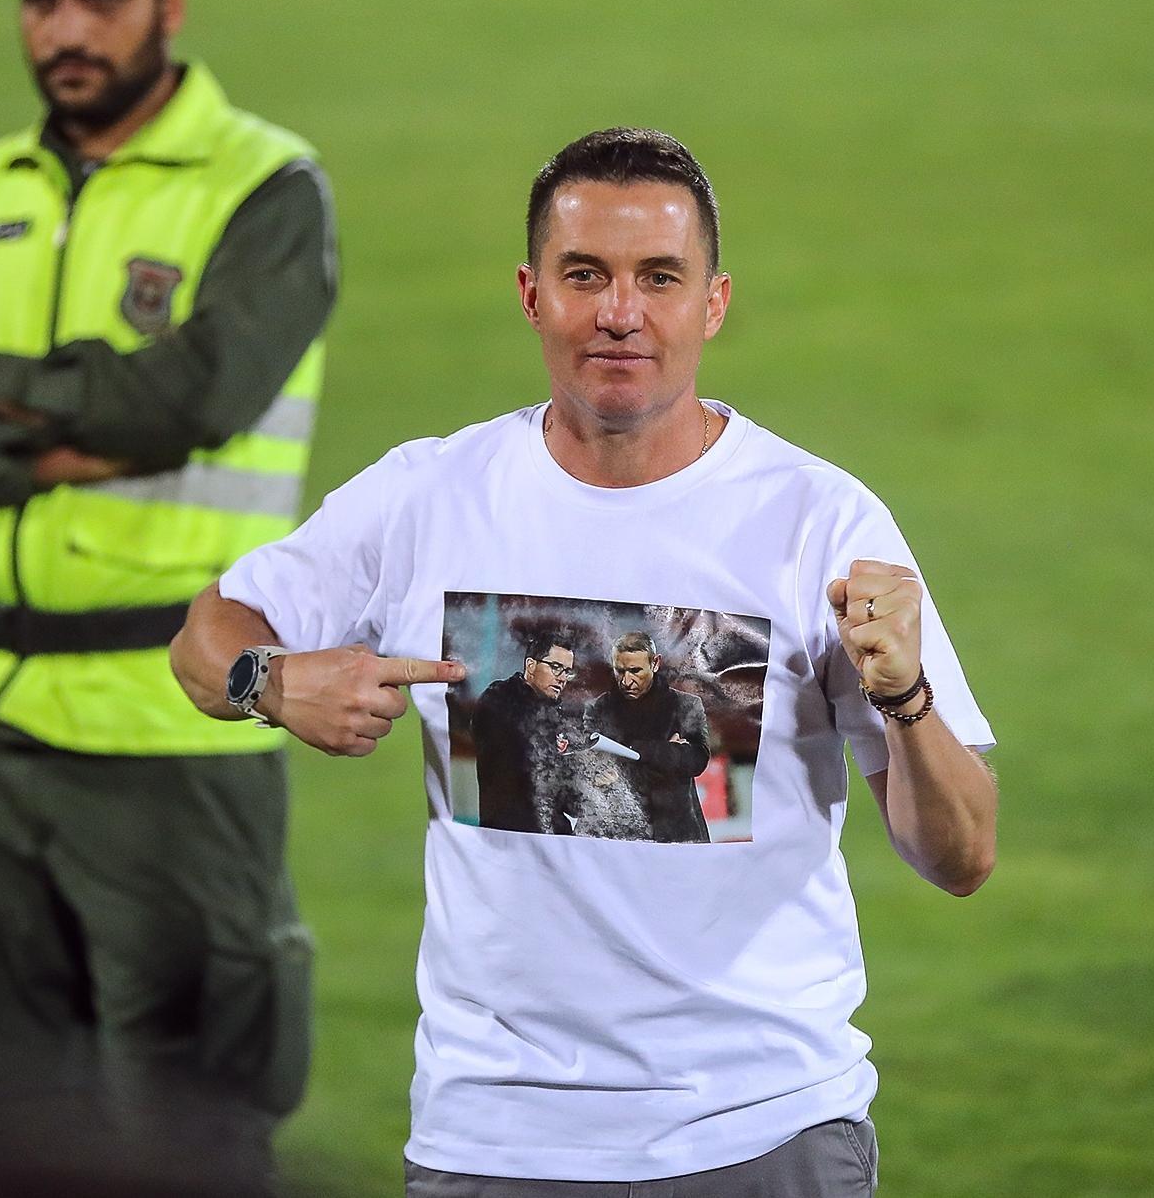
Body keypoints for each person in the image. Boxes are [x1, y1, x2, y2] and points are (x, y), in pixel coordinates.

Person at [170, 127, 997, 1195]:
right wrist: (272, 682)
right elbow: (205, 637)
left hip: (759, 1130)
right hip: (492, 1139)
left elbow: (960, 855)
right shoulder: (429, 496)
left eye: (660, 277)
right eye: (584, 275)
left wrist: (906, 698)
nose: (620, 312)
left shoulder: (817, 522)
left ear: (713, 303)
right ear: (531, 294)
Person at [0, 0, 336, 1189]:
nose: (67, 30)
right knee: (17, 1125)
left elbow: (192, 400)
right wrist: (63, 428)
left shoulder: (263, 188)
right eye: (41, 0)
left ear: (168, 3)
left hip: (167, 724)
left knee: (194, 1132)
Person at [576, 630, 712, 843]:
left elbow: (697, 761)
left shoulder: (686, 705)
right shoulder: (597, 709)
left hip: (677, 832)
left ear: (655, 663)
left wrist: (634, 753)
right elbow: (590, 768)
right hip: (619, 831)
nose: (626, 681)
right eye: (619, 671)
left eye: (635, 671)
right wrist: (667, 752)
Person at [468, 632, 577, 832]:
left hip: (555, 837)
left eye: (567, 672)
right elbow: (521, 765)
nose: (562, 678)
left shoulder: (558, 713)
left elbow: (569, 803)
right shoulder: (500, 698)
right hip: (511, 833)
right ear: (531, 665)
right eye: (555, 667)